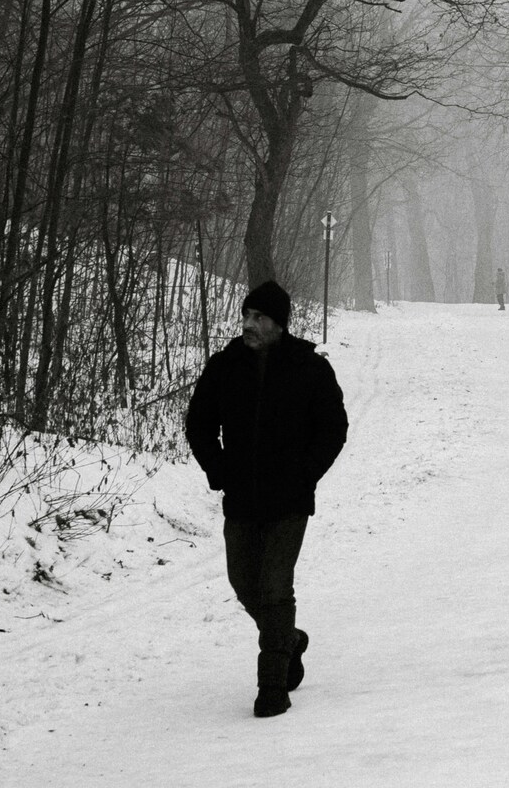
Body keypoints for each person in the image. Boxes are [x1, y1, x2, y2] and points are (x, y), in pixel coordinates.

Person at [186, 280, 348, 719]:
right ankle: (290, 640)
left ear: (279, 324)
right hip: (240, 497)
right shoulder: (225, 366)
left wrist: (305, 474)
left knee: (275, 587)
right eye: (246, 316)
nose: (248, 325)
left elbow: (333, 428)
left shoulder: (309, 368)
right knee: (244, 582)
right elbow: (198, 423)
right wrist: (216, 468)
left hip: (289, 501)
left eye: (259, 318)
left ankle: (271, 687)